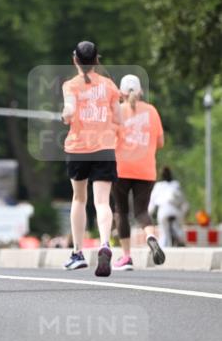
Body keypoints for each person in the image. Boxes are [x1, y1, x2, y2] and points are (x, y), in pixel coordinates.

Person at [61, 41, 121, 277]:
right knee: (103, 202)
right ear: (97, 60)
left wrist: (66, 115)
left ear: (74, 59)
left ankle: (77, 253)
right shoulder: (109, 86)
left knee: (79, 198)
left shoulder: (71, 85)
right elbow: (118, 117)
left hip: (78, 148)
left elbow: (69, 110)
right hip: (105, 148)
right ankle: (105, 243)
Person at [113, 74, 166, 269]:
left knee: (121, 211)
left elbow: (110, 139)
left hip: (121, 168)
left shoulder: (117, 111)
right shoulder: (152, 111)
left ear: (121, 93)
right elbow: (160, 142)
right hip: (146, 169)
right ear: (140, 91)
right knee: (142, 211)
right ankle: (151, 236)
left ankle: (126, 257)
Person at [149, 167, 188, 247]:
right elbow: (182, 200)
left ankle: (163, 248)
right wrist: (184, 212)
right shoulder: (176, 184)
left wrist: (150, 213)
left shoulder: (158, 186)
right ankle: (181, 241)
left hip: (163, 211)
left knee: (164, 233)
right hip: (175, 211)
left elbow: (152, 202)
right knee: (177, 227)